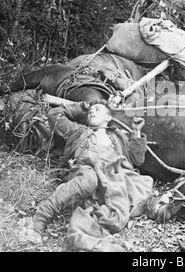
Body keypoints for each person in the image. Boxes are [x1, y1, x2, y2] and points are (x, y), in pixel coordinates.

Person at [25, 99, 154, 250]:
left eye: (98, 109)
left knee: (116, 216)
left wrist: (136, 131)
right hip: (87, 172)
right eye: (91, 111)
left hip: (112, 179)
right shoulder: (79, 131)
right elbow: (54, 114)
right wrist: (80, 107)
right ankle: (39, 220)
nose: (92, 111)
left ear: (108, 118)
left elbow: (137, 160)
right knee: (89, 180)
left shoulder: (117, 137)